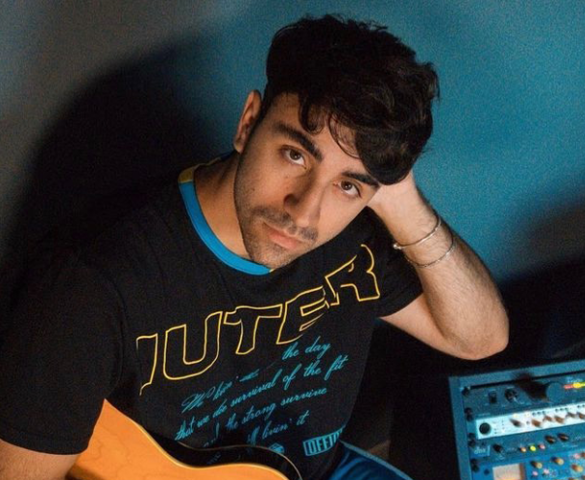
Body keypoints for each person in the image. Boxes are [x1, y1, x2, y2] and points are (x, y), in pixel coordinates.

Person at [0, 15, 508, 480]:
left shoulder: (357, 239)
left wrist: (404, 201)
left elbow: (479, 340)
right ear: (248, 123)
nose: (304, 212)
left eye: (347, 185)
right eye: (295, 154)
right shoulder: (91, 286)